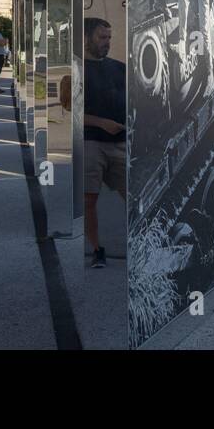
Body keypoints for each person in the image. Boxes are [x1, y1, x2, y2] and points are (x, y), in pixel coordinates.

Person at [82, 17, 126, 268]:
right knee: (89, 200)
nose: (107, 42)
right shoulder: (77, 70)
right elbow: (70, 113)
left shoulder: (119, 68)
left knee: (135, 196)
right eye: (102, 37)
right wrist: (101, 123)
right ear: (87, 37)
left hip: (120, 143)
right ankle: (97, 249)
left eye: (109, 38)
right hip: (92, 144)